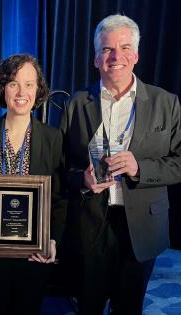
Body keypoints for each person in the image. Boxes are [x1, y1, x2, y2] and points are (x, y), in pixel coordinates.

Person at [60, 14, 181, 315]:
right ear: (95, 58)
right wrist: (82, 180)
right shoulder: (76, 103)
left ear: (137, 55)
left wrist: (139, 167)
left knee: (129, 308)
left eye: (125, 48)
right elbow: (60, 166)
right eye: (107, 49)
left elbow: (178, 163)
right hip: (90, 225)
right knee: (88, 306)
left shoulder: (167, 103)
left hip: (142, 226)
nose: (116, 57)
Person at [0, 54, 64, 315]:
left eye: (29, 84)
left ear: (38, 89)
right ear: (3, 88)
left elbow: (59, 196)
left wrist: (53, 239)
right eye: (13, 83)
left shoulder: (53, 138)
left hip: (34, 252)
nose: (21, 92)